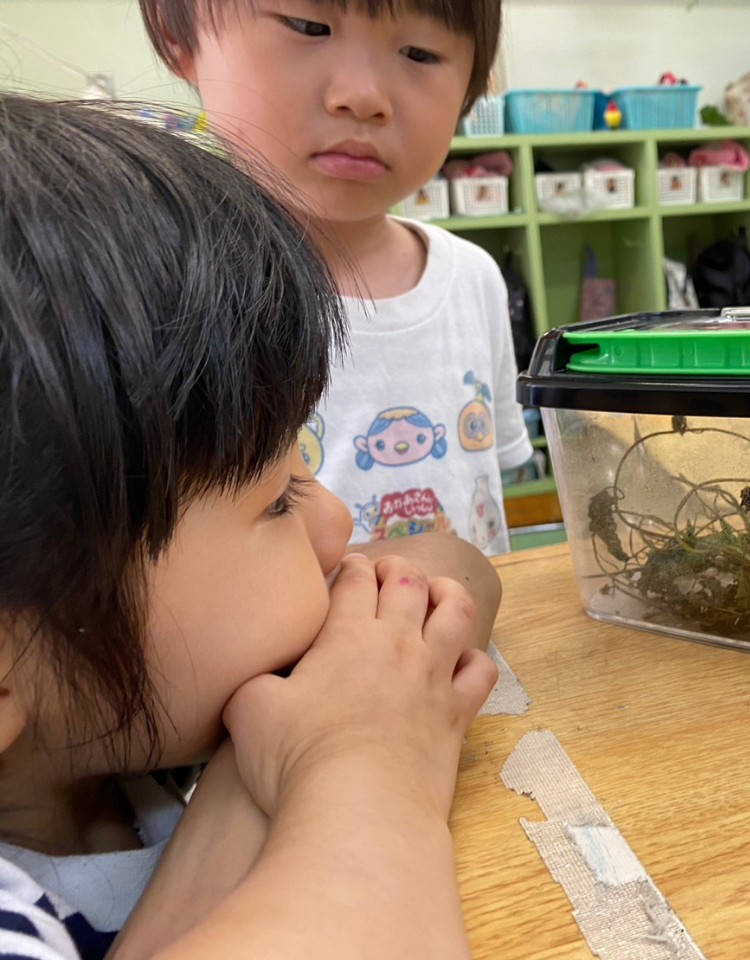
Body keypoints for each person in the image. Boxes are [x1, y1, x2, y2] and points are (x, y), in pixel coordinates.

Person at [0, 93, 497, 958]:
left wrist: (259, 777)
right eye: (275, 501)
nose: (335, 522)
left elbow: (452, 562)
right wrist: (362, 759)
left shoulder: (115, 739)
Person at [140, 0, 535, 555]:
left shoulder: (474, 278)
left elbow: (491, 480)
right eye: (309, 27)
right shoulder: (166, 298)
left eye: (420, 53)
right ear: (175, 32)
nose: (363, 97)